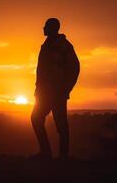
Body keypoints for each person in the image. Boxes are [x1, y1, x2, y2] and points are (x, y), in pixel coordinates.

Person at [30, 18, 80, 160]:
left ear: (52, 28)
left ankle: (62, 156)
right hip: (43, 93)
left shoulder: (64, 47)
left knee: (61, 124)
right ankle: (46, 153)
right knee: (36, 118)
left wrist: (65, 89)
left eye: (46, 26)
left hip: (57, 93)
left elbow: (75, 68)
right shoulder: (47, 46)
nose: (43, 28)